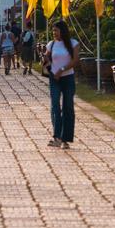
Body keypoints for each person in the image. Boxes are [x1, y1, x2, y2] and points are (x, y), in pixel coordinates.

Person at [46, 19, 79, 148]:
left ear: (63, 31)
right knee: (55, 106)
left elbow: (75, 60)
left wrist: (62, 70)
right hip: (54, 79)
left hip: (67, 78)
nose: (54, 33)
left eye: (56, 30)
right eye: (53, 30)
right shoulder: (51, 45)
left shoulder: (73, 43)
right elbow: (47, 58)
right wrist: (50, 67)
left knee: (68, 107)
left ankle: (66, 139)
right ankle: (57, 137)